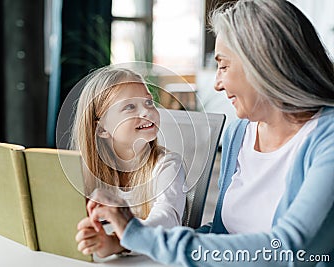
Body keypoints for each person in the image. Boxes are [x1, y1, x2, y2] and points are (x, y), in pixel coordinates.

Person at [82, 0, 334, 266]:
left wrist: (138, 233)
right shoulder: (239, 133)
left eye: (223, 66)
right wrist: (125, 242)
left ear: (263, 64)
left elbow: (287, 250)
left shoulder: (326, 138)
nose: (216, 83)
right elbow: (225, 232)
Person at [0, 67, 187, 258]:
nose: (147, 111)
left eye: (148, 102)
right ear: (101, 128)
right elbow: (37, 204)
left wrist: (116, 245)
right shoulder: (83, 169)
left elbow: (167, 220)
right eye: (130, 107)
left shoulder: (167, 165)